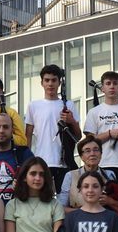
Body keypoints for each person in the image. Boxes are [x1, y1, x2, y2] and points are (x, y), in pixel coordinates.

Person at [25, 64, 80, 193]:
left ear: (59, 83)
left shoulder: (68, 104)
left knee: (64, 200)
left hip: (64, 161)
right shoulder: (33, 106)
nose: (50, 84)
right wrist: (27, 161)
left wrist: (71, 121)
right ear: (42, 83)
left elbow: (77, 137)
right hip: (41, 161)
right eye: (47, 80)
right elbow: (28, 135)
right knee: (42, 198)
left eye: (54, 80)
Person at [58, 136, 118, 215]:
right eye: (87, 151)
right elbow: (61, 208)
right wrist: (84, 211)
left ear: (101, 154)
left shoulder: (109, 175)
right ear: (81, 157)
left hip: (104, 221)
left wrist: (110, 201)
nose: (92, 154)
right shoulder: (70, 176)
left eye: (96, 150)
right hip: (78, 221)